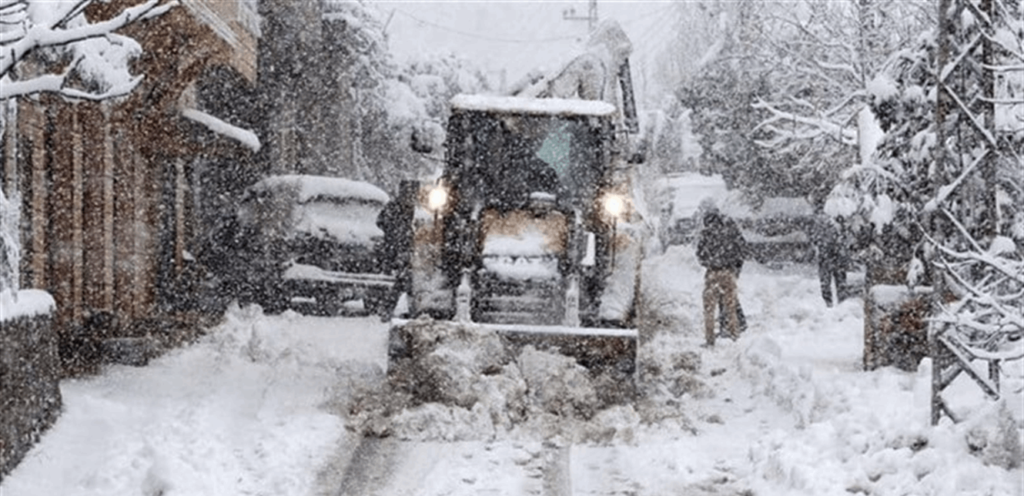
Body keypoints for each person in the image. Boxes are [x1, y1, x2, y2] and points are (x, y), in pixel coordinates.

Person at [696, 206, 748, 346]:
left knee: (709, 308)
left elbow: (700, 255)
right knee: (730, 305)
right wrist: (735, 267)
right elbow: (742, 249)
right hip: (728, 272)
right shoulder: (731, 230)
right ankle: (733, 334)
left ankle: (709, 338)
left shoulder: (706, 233)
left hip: (712, 272)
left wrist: (709, 263)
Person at [375, 180, 417, 321]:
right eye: (407, 193)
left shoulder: (417, 210)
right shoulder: (394, 208)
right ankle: (387, 309)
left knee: (406, 282)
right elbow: (380, 222)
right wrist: (393, 234)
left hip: (410, 250)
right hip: (395, 249)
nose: (410, 197)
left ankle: (400, 309)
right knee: (399, 282)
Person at [810, 215, 849, 307]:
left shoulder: (821, 221)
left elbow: (815, 239)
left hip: (829, 257)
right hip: (832, 257)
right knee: (836, 283)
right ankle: (835, 304)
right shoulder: (839, 220)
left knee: (830, 283)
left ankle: (831, 304)